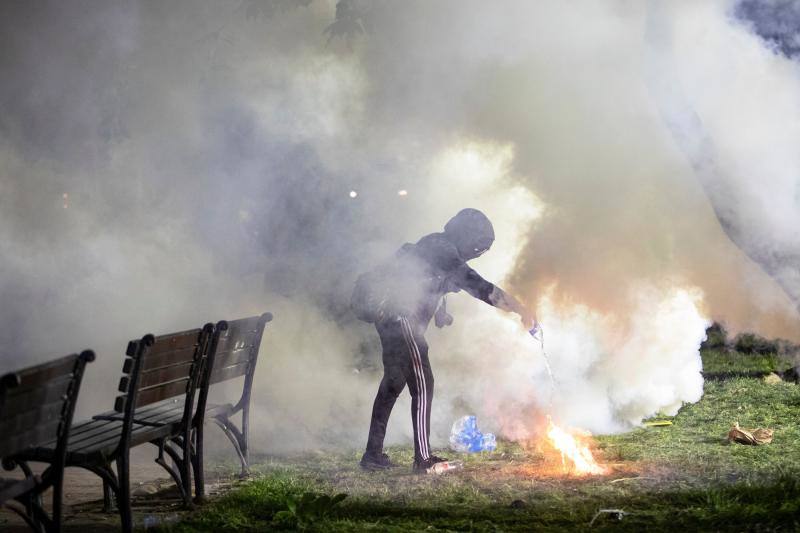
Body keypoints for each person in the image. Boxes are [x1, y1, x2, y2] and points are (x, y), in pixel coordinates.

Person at [359, 208, 535, 473]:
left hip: (394, 318)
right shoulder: (441, 247)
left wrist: (441, 312)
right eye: (478, 245)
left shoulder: (436, 246)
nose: (478, 251)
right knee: (422, 381)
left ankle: (372, 455)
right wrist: (519, 307)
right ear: (466, 235)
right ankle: (423, 459)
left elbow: (428, 282)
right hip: (399, 316)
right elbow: (478, 287)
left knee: (393, 382)